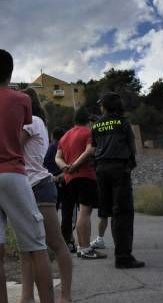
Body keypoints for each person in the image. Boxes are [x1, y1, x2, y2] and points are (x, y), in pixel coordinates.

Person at [0, 49, 78, 303]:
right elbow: (21, 134)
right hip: (14, 175)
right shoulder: (22, 100)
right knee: (36, 246)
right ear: (11, 70)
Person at [12, 88, 75, 303]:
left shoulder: (32, 121)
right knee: (25, 249)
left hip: (39, 187)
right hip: (24, 188)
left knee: (56, 243)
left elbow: (12, 148)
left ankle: (65, 295)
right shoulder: (29, 122)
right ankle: (27, 298)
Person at [79, 92, 145, 269]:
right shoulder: (123, 122)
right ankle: (123, 257)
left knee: (109, 212)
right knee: (122, 213)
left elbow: (93, 148)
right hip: (119, 170)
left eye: (102, 104)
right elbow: (132, 146)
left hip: (101, 171)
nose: (100, 107)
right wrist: (129, 166)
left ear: (106, 105)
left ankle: (121, 255)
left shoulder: (97, 124)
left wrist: (97, 166)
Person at [57, 107, 105, 258]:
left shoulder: (64, 136)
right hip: (85, 175)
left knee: (80, 212)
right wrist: (75, 166)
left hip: (69, 179)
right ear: (88, 120)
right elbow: (90, 150)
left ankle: (80, 247)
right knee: (85, 212)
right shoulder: (88, 132)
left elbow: (57, 157)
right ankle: (85, 248)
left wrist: (65, 167)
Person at [45, 127, 76, 253]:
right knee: (68, 213)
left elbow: (45, 164)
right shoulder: (66, 145)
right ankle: (67, 241)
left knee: (53, 212)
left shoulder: (50, 147)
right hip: (66, 181)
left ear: (52, 136)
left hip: (52, 182)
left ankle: (53, 242)